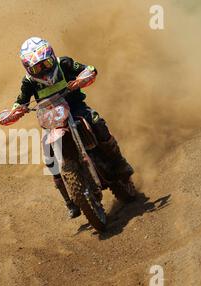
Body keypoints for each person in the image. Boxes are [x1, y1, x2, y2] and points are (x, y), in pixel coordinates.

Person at [10, 37, 134, 218]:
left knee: (96, 122)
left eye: (46, 64)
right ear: (29, 69)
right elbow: (20, 101)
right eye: (37, 68)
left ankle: (120, 164)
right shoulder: (28, 82)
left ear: (52, 56)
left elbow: (88, 69)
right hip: (52, 119)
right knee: (49, 155)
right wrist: (16, 111)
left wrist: (83, 77)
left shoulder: (64, 64)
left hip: (76, 108)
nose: (43, 70)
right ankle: (69, 201)